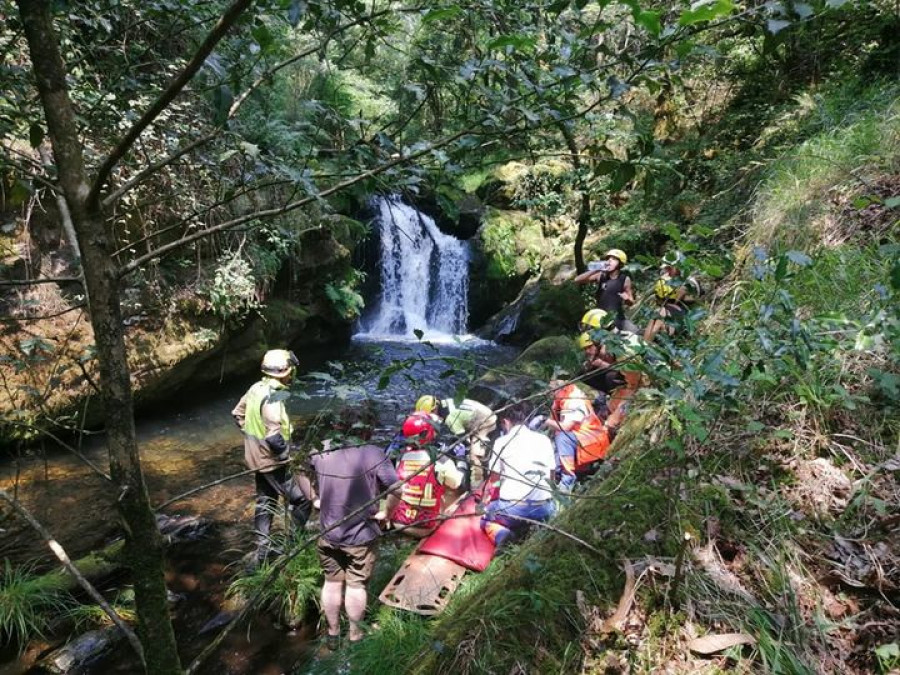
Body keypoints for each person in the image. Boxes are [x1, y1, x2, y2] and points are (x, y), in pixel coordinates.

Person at [310, 412, 401, 646]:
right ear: (365, 430)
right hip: (360, 536)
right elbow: (396, 489)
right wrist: (387, 514)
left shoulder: (321, 448)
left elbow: (298, 469)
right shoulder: (373, 453)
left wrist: (314, 498)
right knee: (356, 585)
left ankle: (332, 635)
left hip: (328, 533)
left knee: (330, 582)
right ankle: (355, 636)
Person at [232, 349, 314, 565]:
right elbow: (273, 437)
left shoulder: (256, 388)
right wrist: (289, 457)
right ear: (286, 372)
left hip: (255, 458)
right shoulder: (273, 397)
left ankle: (262, 547)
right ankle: (292, 543)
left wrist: (252, 441)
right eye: (291, 371)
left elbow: (237, 414)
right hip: (272, 461)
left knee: (265, 500)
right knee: (303, 501)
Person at [480, 403, 557, 549]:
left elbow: (494, 481)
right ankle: (532, 526)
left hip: (513, 509)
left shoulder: (501, 442)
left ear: (506, 422)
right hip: (544, 509)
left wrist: (485, 502)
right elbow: (551, 478)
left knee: (484, 518)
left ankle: (502, 535)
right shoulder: (544, 440)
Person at [390, 414, 464, 537]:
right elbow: (457, 484)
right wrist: (461, 461)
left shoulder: (400, 457)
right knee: (451, 489)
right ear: (427, 433)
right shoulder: (441, 460)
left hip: (398, 523)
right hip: (424, 527)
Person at [415, 395, 497, 486]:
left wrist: (461, 456)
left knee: (474, 454)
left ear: (434, 410)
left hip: (486, 421)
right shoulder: (446, 404)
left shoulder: (451, 418)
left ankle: (477, 483)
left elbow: (463, 441)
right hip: (484, 414)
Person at [544, 382, 612, 492]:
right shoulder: (560, 399)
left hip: (592, 440)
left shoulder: (575, 400)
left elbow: (565, 427)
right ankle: (555, 477)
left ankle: (568, 479)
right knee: (554, 442)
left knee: (562, 438)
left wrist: (544, 420)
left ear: (562, 388)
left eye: (552, 390)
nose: (550, 393)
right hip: (578, 439)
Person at [573, 248, 638, 332]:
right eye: (608, 258)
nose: (609, 261)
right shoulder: (600, 275)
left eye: (614, 259)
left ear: (620, 264)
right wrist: (597, 269)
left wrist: (627, 299)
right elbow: (577, 280)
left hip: (618, 319)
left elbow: (631, 302)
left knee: (636, 332)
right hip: (600, 319)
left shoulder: (625, 279)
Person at [644, 250, 701, 343]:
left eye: (669, 268)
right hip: (669, 311)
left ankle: (648, 344)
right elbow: (660, 301)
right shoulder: (666, 279)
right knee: (656, 316)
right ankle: (646, 344)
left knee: (661, 314)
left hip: (683, 315)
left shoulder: (689, 283)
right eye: (667, 268)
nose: (667, 271)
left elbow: (682, 300)